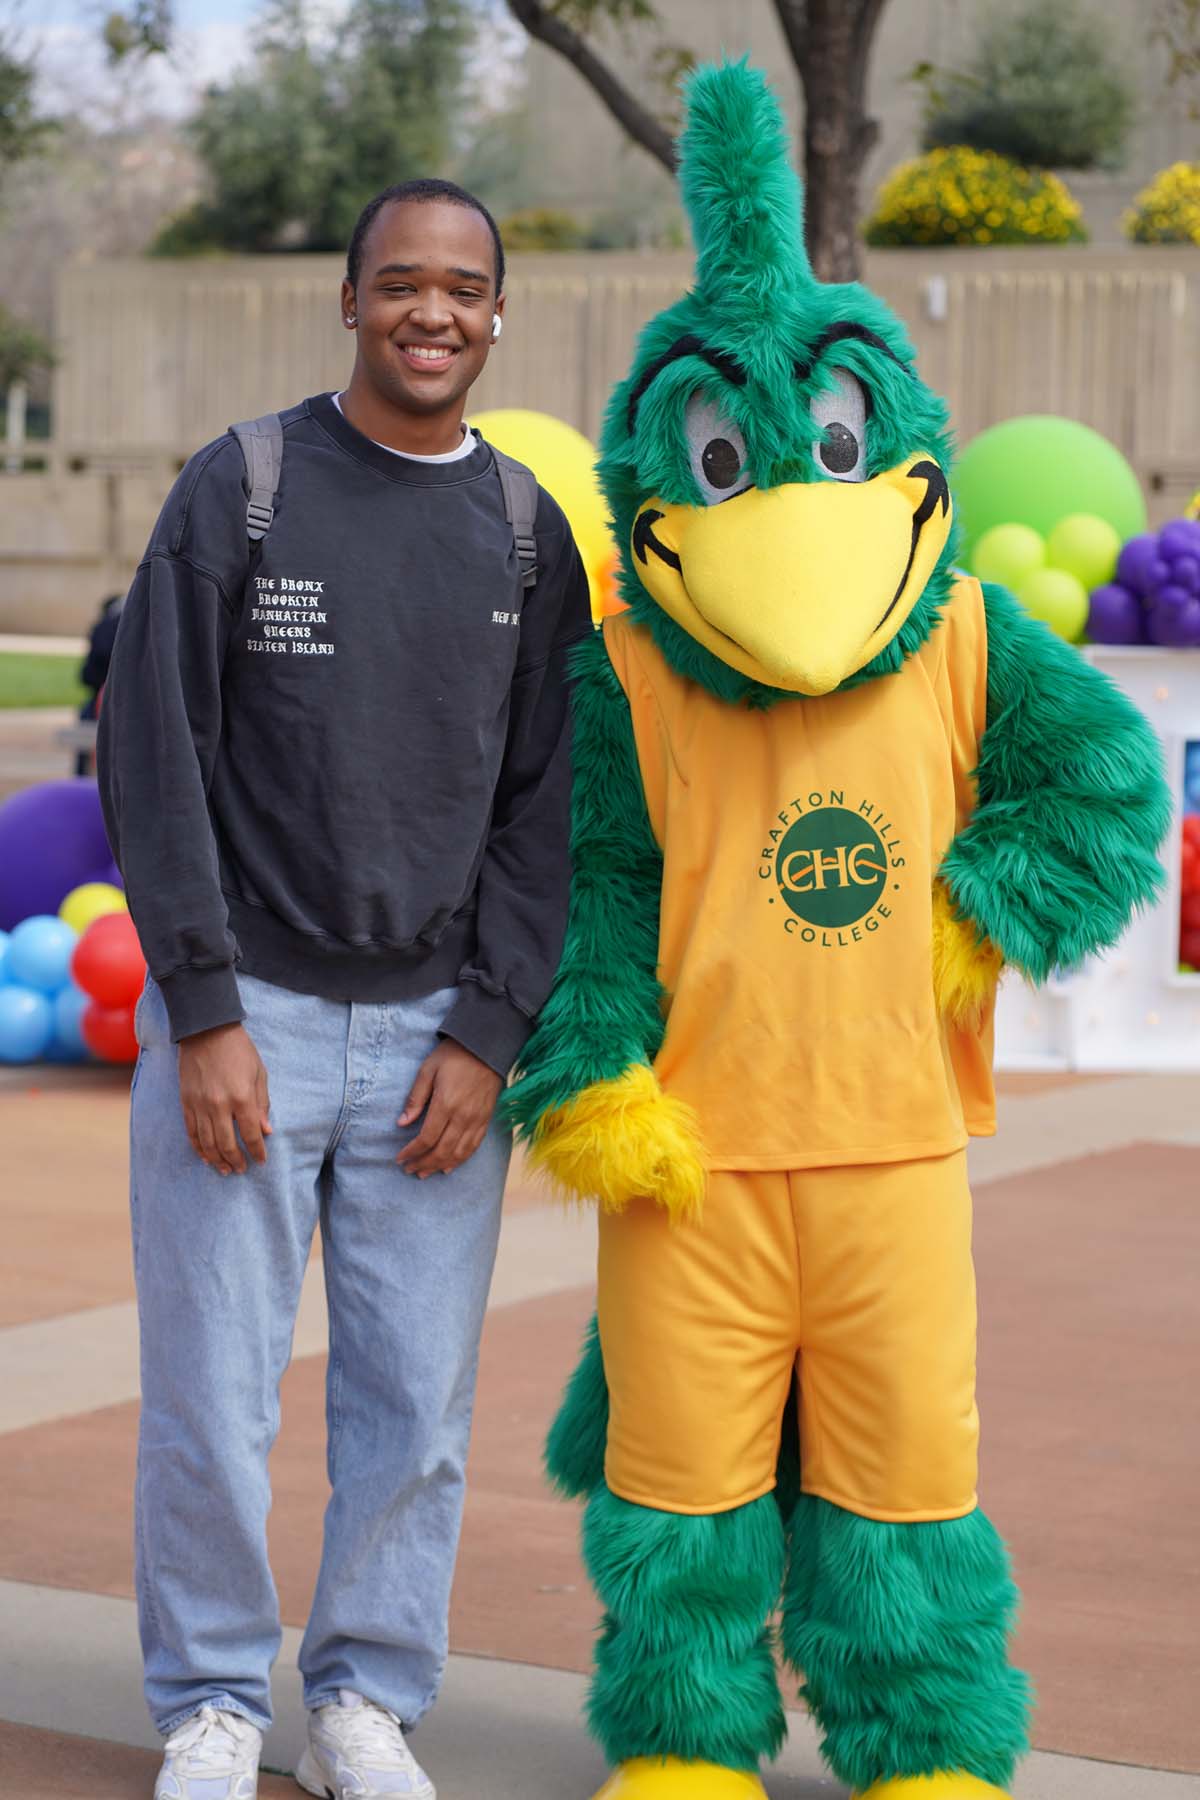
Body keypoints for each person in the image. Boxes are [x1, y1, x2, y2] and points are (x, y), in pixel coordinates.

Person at [99, 178, 591, 1800]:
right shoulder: (240, 489)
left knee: (416, 1411)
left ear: (497, 312)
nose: (431, 313)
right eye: (402, 284)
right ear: (351, 299)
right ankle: (214, 1709)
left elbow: (543, 807)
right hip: (251, 1025)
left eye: (463, 287)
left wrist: (489, 1026)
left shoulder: (527, 530)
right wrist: (204, 1011)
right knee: (211, 1405)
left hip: (432, 1049)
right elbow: (153, 761)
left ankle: (367, 1702)